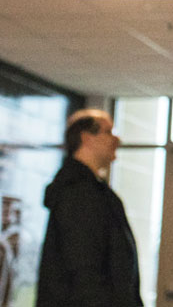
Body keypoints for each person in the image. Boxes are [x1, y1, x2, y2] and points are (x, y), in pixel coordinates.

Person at [36, 109, 142, 307]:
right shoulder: (78, 192)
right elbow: (83, 268)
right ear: (86, 138)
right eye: (108, 132)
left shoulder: (94, 191)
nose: (116, 139)